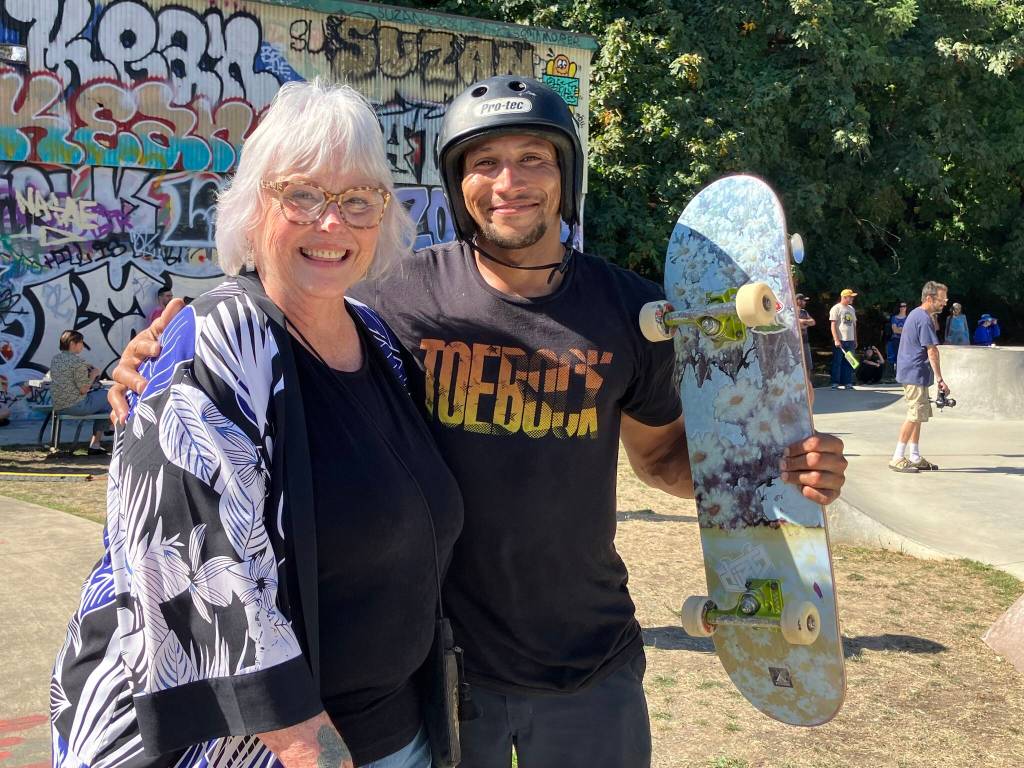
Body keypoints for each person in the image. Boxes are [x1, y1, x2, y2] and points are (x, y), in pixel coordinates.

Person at [110, 75, 849, 768]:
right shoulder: (391, 300)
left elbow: (663, 462)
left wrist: (773, 472)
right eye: (484, 162)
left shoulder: (629, 309)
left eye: (533, 159)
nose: (508, 182)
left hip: (591, 659)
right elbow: (276, 317)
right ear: (458, 183)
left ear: (566, 175)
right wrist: (157, 361)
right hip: (443, 672)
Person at [52, 81, 463, 768]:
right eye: (301, 195)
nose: (331, 223)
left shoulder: (380, 340)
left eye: (358, 199)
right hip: (268, 749)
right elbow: (195, 572)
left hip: (396, 729)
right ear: (252, 209)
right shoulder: (212, 344)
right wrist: (312, 752)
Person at [890, 281, 949, 473]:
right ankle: (897, 457)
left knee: (918, 415)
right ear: (929, 298)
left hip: (915, 372)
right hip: (914, 372)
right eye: (942, 299)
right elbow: (932, 350)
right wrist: (940, 379)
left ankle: (914, 456)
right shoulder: (923, 318)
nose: (945, 302)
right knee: (914, 414)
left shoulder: (917, 314)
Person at [48, 330, 109, 454]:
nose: (83, 346)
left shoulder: (56, 359)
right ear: (72, 343)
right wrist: (93, 375)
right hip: (77, 406)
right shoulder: (77, 362)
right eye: (81, 342)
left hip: (59, 406)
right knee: (109, 395)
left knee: (104, 404)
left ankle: (98, 441)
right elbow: (84, 389)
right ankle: (100, 439)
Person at [829, 289, 858, 389]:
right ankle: (835, 382)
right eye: (851, 297)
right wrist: (836, 339)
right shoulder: (836, 308)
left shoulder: (851, 309)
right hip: (840, 340)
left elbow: (854, 325)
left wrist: (855, 339)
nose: (852, 299)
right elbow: (833, 325)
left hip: (850, 340)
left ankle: (848, 382)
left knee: (849, 361)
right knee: (837, 362)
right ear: (844, 297)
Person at [796, 293, 815, 373]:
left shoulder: (804, 312)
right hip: (795, 342)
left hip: (805, 341)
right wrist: (805, 323)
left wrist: (803, 321)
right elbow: (795, 323)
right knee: (797, 365)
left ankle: (808, 381)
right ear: (798, 301)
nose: (805, 302)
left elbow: (813, 322)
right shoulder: (791, 311)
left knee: (808, 365)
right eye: (803, 300)